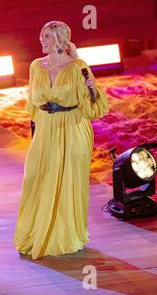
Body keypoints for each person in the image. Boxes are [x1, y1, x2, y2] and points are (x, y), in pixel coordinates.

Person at [13, 21, 109, 260]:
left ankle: (66, 235)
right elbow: (33, 104)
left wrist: (92, 88)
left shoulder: (78, 67)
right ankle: (36, 233)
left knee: (67, 181)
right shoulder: (36, 66)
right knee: (37, 177)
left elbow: (92, 108)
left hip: (72, 128)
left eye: (46, 36)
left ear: (59, 40)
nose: (41, 40)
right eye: (41, 35)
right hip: (46, 128)